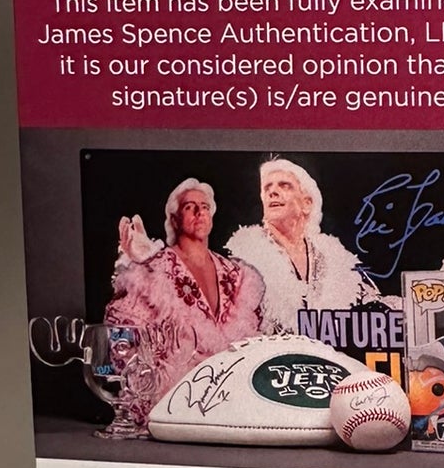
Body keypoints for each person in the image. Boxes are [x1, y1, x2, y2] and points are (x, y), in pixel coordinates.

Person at [107, 178, 265, 424]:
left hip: (229, 405)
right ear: (174, 219)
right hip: (174, 404)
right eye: (190, 207)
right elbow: (122, 331)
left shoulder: (235, 274)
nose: (199, 212)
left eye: (205, 207)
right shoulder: (154, 268)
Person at [225, 157, 383, 334]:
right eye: (267, 188)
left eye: (284, 185)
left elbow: (377, 307)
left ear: (307, 204)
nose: (272, 192)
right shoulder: (243, 259)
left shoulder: (335, 258)